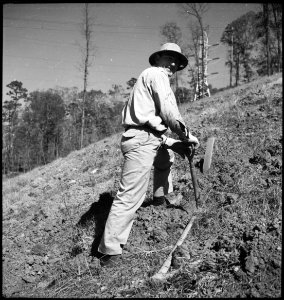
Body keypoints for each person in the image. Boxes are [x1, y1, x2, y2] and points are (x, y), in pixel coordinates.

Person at [98, 43, 199, 267]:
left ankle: (160, 200)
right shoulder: (155, 74)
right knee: (131, 194)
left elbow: (155, 125)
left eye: (177, 61)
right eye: (169, 58)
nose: (173, 64)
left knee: (166, 159)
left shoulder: (151, 79)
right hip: (141, 139)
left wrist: (174, 143)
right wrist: (186, 135)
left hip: (151, 137)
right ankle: (109, 252)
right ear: (158, 58)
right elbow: (169, 112)